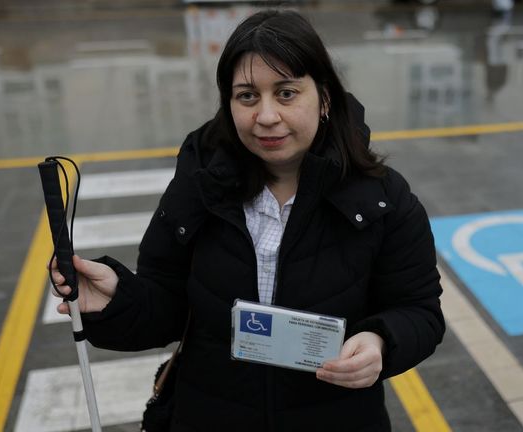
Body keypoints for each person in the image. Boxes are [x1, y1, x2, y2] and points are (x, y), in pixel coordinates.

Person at [49, 9, 444, 431]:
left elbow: (419, 310)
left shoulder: (383, 198)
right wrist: (115, 302)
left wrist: (382, 341)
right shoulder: (199, 186)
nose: (267, 116)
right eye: (247, 96)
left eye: (287, 93)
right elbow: (164, 306)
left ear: (324, 97)